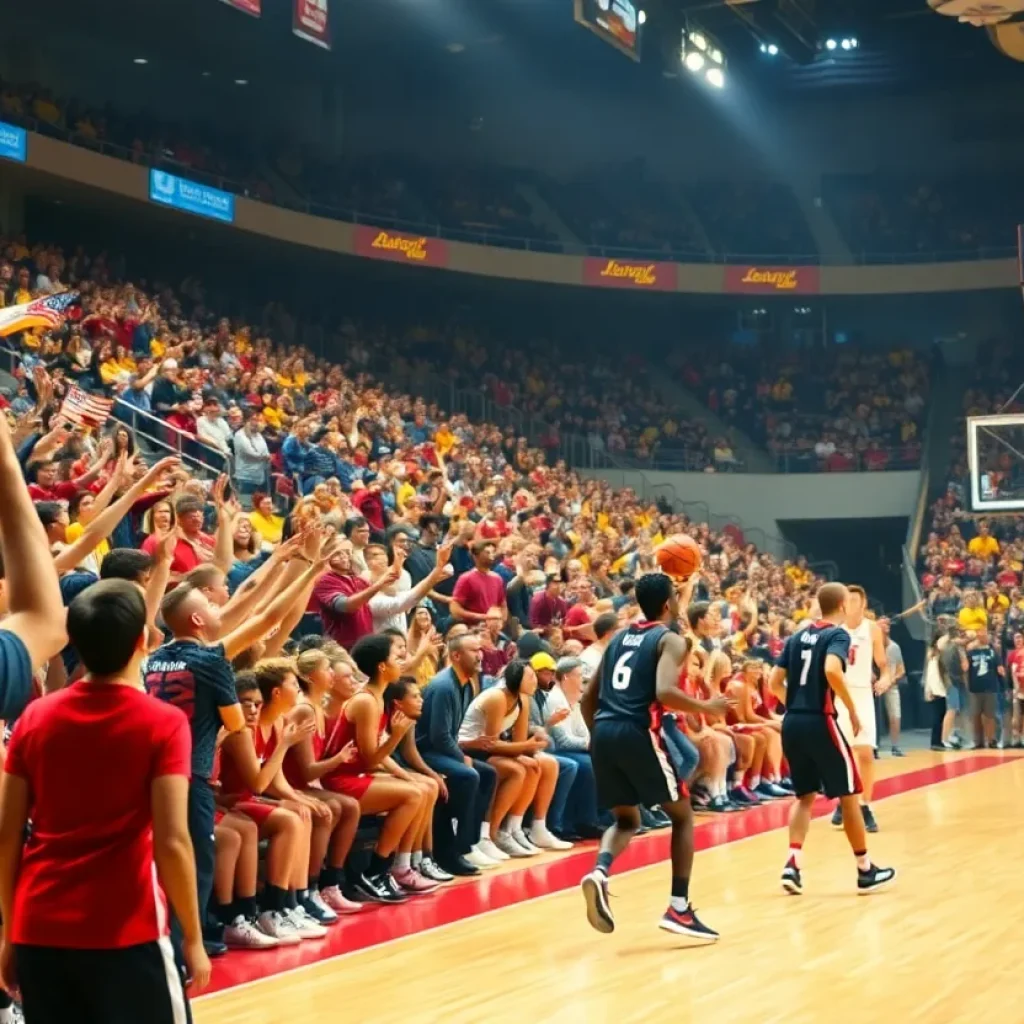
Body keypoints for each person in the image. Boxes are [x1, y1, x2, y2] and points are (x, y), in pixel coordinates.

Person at [0, 580, 209, 1022]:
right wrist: (192, 936)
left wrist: (8, 932)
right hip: (126, 927)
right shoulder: (164, 722)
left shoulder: (34, 717)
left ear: (73, 640)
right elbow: (173, 840)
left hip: (40, 924)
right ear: (142, 641)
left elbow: (6, 834)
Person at [578, 572, 733, 942]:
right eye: (677, 597)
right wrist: (707, 705)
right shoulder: (670, 640)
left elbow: (587, 699)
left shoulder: (617, 639)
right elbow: (664, 692)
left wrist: (597, 736)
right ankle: (679, 908)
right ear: (668, 604)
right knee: (682, 816)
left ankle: (600, 871)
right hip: (636, 732)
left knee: (626, 819)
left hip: (602, 731)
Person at [768, 582, 896, 897]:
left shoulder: (797, 636)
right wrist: (850, 710)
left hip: (793, 723)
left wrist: (795, 704)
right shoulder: (837, 634)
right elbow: (832, 671)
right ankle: (865, 869)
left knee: (804, 796)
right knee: (850, 795)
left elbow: (774, 682)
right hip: (820, 722)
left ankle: (792, 863)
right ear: (842, 604)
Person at [830, 585, 889, 834]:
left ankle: (864, 805)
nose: (851, 603)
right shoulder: (835, 630)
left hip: (863, 694)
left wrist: (885, 677)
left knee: (865, 753)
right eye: (847, 599)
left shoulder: (872, 629)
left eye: (855, 599)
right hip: (839, 695)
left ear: (863, 604)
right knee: (841, 755)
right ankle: (845, 801)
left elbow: (882, 663)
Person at [966, 627, 1003, 749]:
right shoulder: (971, 652)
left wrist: (1003, 683)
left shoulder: (993, 652)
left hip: (990, 688)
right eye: (979, 632)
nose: (982, 635)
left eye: (984, 632)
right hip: (975, 688)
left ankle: (992, 740)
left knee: (990, 716)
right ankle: (978, 741)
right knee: (975, 716)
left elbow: (1000, 669)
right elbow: (966, 669)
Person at [879, 618, 906, 757]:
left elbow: (901, 669)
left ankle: (895, 745)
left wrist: (893, 679)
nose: (886, 626)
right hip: (875, 684)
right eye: (883, 623)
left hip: (891, 684)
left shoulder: (894, 647)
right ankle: (873, 745)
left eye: (888, 624)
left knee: (895, 714)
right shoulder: (872, 645)